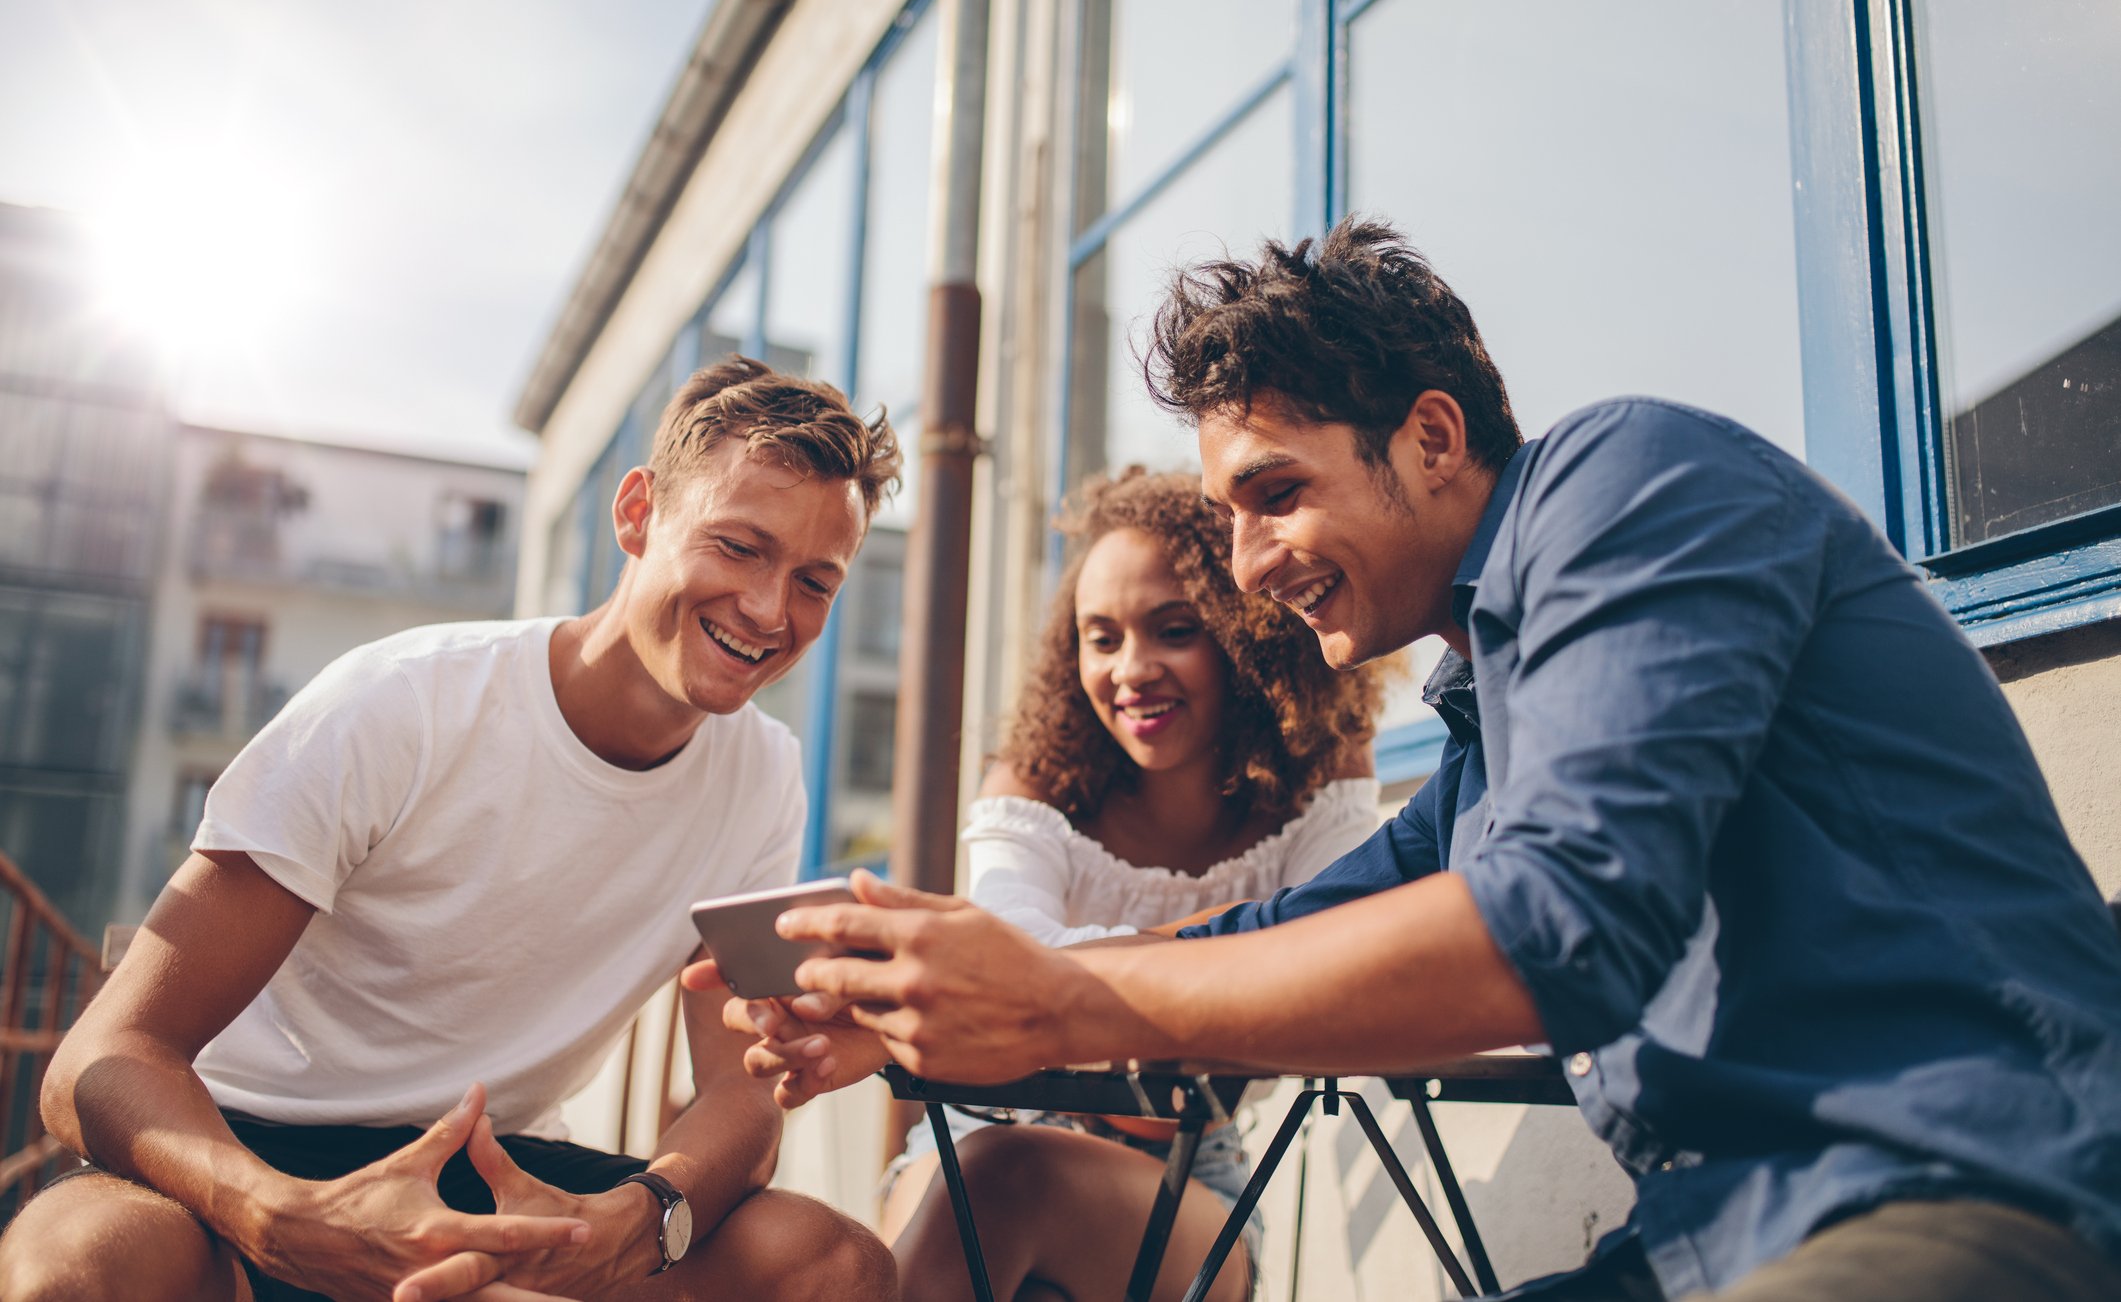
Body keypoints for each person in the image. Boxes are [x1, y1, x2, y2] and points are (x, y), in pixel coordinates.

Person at [712, 220, 2121, 1301]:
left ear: (1433, 437)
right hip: (1710, 1235)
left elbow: (1553, 925)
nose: (1249, 566)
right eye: (1228, 514)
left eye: (1275, 493)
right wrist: (922, 1008)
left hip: (1968, 1183)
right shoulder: (1488, 730)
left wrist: (1056, 1002)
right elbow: (1273, 935)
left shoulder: (1630, 482)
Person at [0, 358, 902, 1302]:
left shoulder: (765, 775)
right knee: (72, 1268)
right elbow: (97, 1060)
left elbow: (740, 1082)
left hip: (494, 1168)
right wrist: (276, 1214)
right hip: (244, 1146)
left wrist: (645, 1217)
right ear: (637, 514)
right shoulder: (402, 703)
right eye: (739, 547)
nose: (769, 610)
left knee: (829, 1264)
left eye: (814, 582)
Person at [740, 467, 1385, 1302]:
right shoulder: (1031, 785)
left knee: (1003, 1179)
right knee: (988, 1172)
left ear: (1248, 632)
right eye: (1101, 638)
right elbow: (1011, 955)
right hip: (978, 1127)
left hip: (1187, 1167)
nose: (1131, 670)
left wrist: (1031, 990)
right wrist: (1242, 951)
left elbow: (1336, 950)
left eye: (1174, 630)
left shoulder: (1322, 775)